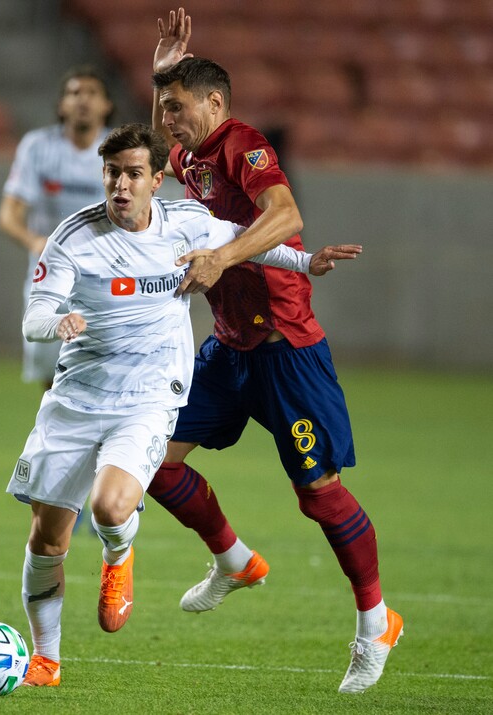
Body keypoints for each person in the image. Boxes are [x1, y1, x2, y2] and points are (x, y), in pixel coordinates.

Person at [5, 122, 359, 687]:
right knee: (47, 539)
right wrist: (58, 322)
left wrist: (307, 261)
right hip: (78, 396)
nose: (121, 185)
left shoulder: (186, 224)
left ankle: (118, 558)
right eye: (112, 173)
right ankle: (45, 661)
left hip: (148, 396)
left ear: (157, 179)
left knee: (110, 507)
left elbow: (249, 240)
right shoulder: (72, 238)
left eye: (133, 174)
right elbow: (33, 315)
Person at [146, 8, 402, 695]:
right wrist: (162, 73)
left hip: (285, 348)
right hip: (228, 349)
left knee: (319, 496)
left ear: (217, 104)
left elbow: (286, 215)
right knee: (149, 460)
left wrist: (223, 256)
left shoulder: (243, 143)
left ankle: (376, 621)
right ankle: (232, 560)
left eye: (179, 107)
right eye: (164, 108)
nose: (168, 119)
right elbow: (163, 141)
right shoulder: (186, 155)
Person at [0, 65, 114, 391]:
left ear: (107, 105)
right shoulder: (38, 147)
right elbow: (8, 215)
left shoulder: (118, 149)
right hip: (49, 275)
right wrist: (33, 240)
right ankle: (57, 438)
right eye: (74, 93)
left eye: (92, 93)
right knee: (52, 377)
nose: (83, 100)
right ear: (62, 104)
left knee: (106, 370)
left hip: (105, 273)